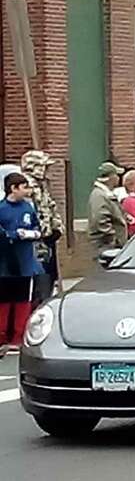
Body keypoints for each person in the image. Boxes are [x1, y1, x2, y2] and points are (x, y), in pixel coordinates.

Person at [0, 173, 44, 353]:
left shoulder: (28, 207)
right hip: (5, 262)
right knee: (3, 301)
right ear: (13, 188)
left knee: (23, 300)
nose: (27, 191)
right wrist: (13, 235)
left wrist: (32, 234)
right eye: (24, 187)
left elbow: (37, 227)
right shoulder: (1, 209)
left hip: (25, 263)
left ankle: (19, 336)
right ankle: (2, 336)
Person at [20, 150, 63, 302]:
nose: (47, 171)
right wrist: (42, 232)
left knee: (50, 277)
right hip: (35, 244)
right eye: (44, 167)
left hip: (47, 242)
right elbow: (31, 215)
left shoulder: (43, 186)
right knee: (40, 281)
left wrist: (57, 228)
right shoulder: (26, 188)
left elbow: (50, 208)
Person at [87, 160, 128, 256]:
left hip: (109, 246)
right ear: (111, 177)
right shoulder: (99, 196)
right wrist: (114, 239)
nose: (118, 178)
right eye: (117, 175)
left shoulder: (106, 194)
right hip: (106, 247)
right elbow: (99, 219)